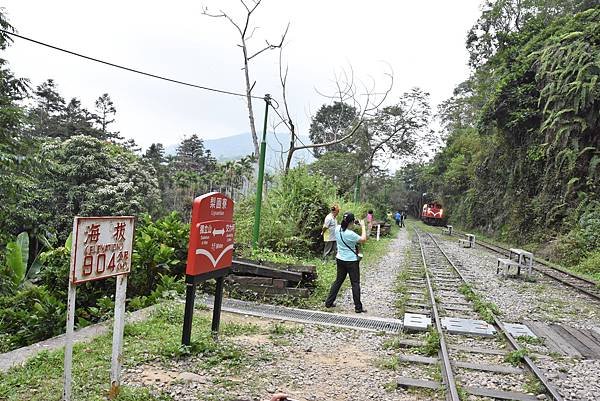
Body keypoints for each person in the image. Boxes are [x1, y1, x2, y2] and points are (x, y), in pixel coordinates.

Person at [325, 212, 368, 313]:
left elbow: (345, 227)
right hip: (351, 261)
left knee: (338, 281)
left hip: (340, 259)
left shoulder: (337, 228)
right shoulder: (351, 234)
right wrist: (363, 226)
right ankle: (358, 307)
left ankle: (329, 302)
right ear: (352, 222)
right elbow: (363, 239)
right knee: (355, 283)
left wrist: (352, 224)